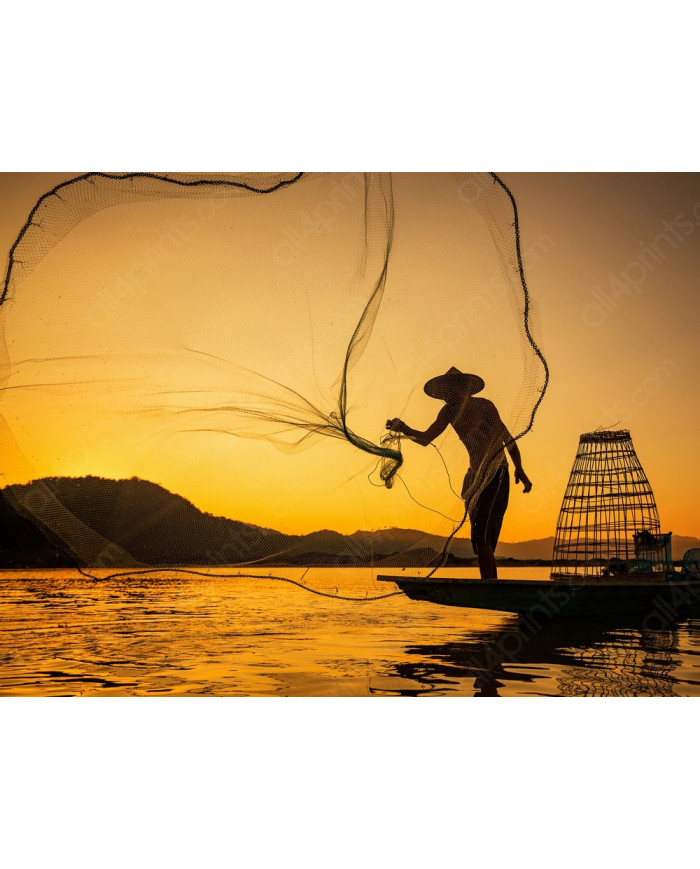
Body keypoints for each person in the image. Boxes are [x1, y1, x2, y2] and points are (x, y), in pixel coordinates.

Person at [386, 366, 532, 579]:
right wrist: (405, 429)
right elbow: (427, 439)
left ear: (464, 389)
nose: (446, 395)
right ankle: (489, 584)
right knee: (478, 538)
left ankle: (489, 586)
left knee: (483, 536)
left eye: (450, 389)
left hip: (496, 473)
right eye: (443, 392)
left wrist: (519, 468)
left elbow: (507, 439)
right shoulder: (448, 412)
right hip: (473, 479)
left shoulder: (485, 406)